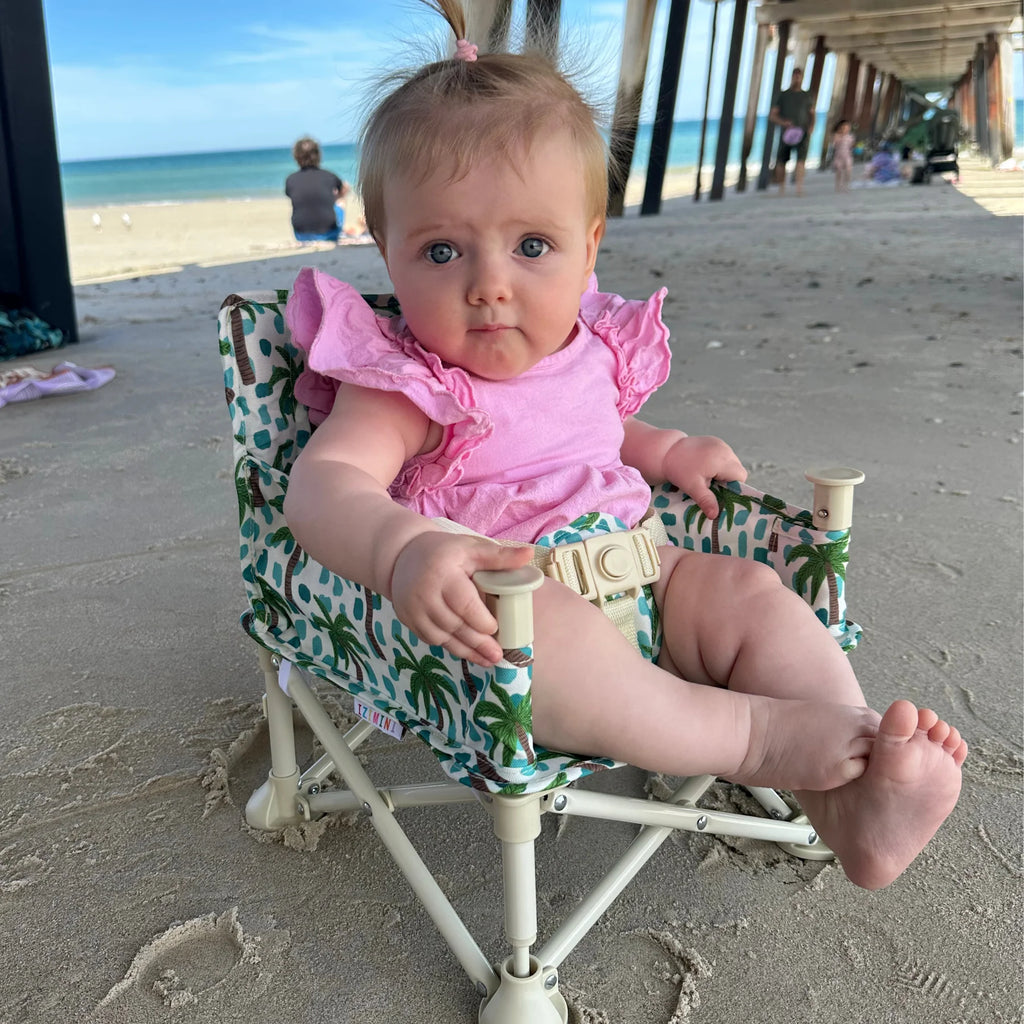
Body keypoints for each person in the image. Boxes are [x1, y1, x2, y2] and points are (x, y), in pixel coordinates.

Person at [283, 0, 966, 892]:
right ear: (386, 252)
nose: (491, 286)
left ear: (589, 246)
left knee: (749, 592)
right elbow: (324, 485)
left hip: (647, 572)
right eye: (442, 251)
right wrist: (404, 548)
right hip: (513, 628)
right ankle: (759, 740)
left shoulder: (593, 350)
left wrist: (667, 449)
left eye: (532, 245)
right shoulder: (410, 383)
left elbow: (604, 432)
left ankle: (856, 774)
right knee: (562, 647)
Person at [285, 136, 350, 244]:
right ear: (318, 155)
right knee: (341, 200)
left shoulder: (290, 179)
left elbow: (292, 194)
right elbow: (344, 187)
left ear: (296, 156)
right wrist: (336, 197)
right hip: (329, 233)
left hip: (300, 234)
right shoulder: (329, 176)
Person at [769, 67, 814, 197]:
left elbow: (812, 112)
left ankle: (799, 187)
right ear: (791, 77)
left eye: (799, 76)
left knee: (801, 160)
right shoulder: (783, 95)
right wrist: (784, 123)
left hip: (803, 131)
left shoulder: (806, 96)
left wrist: (811, 126)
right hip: (786, 133)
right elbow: (773, 115)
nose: (797, 78)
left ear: (802, 77)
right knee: (782, 160)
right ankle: (781, 187)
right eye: (795, 76)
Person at [832, 119, 854, 193]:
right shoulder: (837, 136)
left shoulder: (850, 137)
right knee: (839, 171)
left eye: (847, 128)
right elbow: (834, 144)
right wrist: (839, 136)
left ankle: (846, 185)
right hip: (838, 156)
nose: (845, 129)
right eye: (843, 128)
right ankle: (838, 185)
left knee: (848, 171)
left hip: (847, 156)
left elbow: (851, 146)